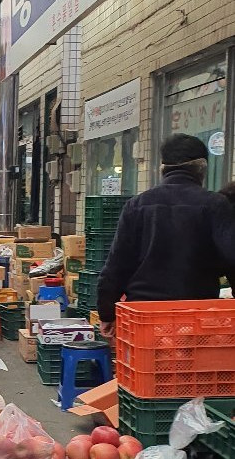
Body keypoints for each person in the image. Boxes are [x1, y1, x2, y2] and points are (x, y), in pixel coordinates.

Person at [97, 134, 235, 338]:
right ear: (202, 168)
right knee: (191, 368)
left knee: (146, 368)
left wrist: (107, 313)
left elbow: (116, 264)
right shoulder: (215, 205)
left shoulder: (137, 205)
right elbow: (232, 258)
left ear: (163, 169)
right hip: (196, 317)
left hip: (143, 317)